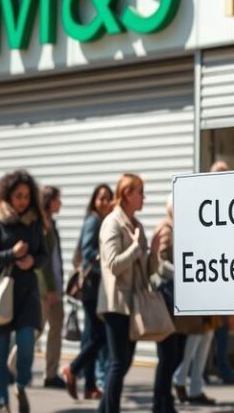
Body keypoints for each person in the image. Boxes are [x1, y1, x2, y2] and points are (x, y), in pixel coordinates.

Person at [0, 170, 48, 413]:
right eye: (18, 195)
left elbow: (44, 255)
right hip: (2, 294)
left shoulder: (35, 222)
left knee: (26, 345)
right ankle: (2, 402)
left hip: (27, 295)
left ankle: (21, 385)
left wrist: (32, 260)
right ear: (8, 196)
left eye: (26, 195)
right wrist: (12, 254)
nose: (22, 200)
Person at [96, 173, 147, 413]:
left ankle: (103, 410)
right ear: (127, 194)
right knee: (118, 363)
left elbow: (145, 267)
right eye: (140, 192)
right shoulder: (112, 223)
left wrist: (151, 251)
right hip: (116, 302)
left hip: (133, 303)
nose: (143, 197)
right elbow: (113, 263)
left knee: (123, 362)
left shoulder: (135, 225)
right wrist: (136, 248)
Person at [62, 183, 113, 401]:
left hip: (98, 286)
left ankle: (89, 385)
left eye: (107, 198)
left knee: (93, 336)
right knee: (99, 337)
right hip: (92, 287)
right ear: (94, 201)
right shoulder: (94, 220)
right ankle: (73, 369)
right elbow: (88, 251)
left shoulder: (102, 220)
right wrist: (107, 256)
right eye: (100, 198)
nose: (103, 202)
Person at [149, 194, 187, 413]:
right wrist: (184, 273)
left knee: (176, 354)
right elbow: (160, 263)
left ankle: (165, 401)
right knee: (168, 355)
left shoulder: (177, 227)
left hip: (176, 300)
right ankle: (160, 403)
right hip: (167, 299)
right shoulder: (166, 229)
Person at [204, 161, 234, 386]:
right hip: (209, 272)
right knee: (207, 327)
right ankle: (204, 369)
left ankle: (222, 367)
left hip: (227, 270)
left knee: (223, 326)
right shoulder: (206, 201)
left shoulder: (231, 201)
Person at [39, 186, 66, 389]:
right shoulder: (41, 226)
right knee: (36, 330)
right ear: (49, 201)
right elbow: (45, 261)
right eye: (58, 200)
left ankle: (51, 373)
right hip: (45, 289)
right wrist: (49, 288)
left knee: (56, 328)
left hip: (55, 287)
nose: (61, 204)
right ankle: (10, 367)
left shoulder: (52, 224)